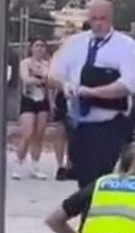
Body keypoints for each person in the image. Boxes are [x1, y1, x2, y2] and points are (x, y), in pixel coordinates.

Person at [50, 0, 135, 189]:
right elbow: (52, 74)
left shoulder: (125, 46)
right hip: (79, 124)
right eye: (94, 19)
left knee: (102, 180)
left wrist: (91, 93)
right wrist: (66, 86)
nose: (98, 23)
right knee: (84, 182)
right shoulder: (75, 43)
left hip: (109, 123)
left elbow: (128, 84)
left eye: (103, 18)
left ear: (111, 18)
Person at [13, 38, 51, 180]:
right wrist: (41, 80)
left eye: (42, 45)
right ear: (31, 48)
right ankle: (18, 164)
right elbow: (26, 79)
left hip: (43, 100)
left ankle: (35, 166)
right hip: (29, 99)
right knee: (27, 133)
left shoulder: (47, 64)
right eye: (37, 45)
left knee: (39, 135)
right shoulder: (25, 63)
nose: (40, 48)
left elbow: (51, 82)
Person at [52, 24, 79, 181]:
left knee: (73, 134)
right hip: (62, 94)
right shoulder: (58, 57)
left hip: (77, 95)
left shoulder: (80, 56)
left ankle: (71, 164)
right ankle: (59, 164)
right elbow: (52, 78)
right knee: (60, 131)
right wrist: (51, 100)